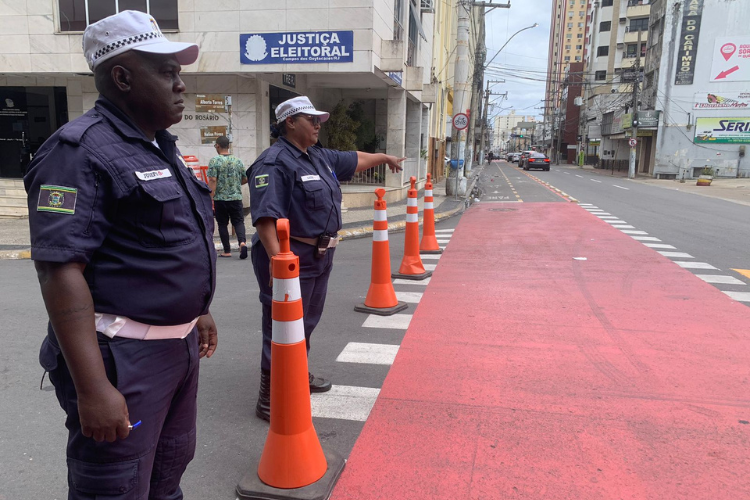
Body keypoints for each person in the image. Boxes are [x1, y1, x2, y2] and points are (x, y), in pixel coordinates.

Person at [24, 11, 218, 499]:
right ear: (123, 77)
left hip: (176, 351)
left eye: (179, 72)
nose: (180, 84)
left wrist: (199, 312)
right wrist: (93, 389)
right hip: (121, 360)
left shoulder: (159, 148)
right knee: (114, 487)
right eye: (167, 71)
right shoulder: (79, 151)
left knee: (165, 477)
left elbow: (161, 243)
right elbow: (59, 268)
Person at [249, 96, 404, 421]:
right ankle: (269, 394)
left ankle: (296, 375)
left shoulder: (318, 156)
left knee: (305, 322)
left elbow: (355, 159)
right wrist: (279, 264)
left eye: (319, 119)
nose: (319, 125)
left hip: (319, 256)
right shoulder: (274, 162)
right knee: (280, 324)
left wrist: (384, 156)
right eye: (311, 120)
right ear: (290, 122)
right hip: (289, 258)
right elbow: (265, 219)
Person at [207, 135, 248, 259]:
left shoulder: (214, 161)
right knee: (239, 221)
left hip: (220, 199)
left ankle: (227, 250)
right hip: (236, 197)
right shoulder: (237, 161)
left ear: (217, 146)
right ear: (228, 146)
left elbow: (213, 179)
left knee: (222, 224)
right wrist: (235, 183)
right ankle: (242, 242)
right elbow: (245, 178)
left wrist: (210, 196)